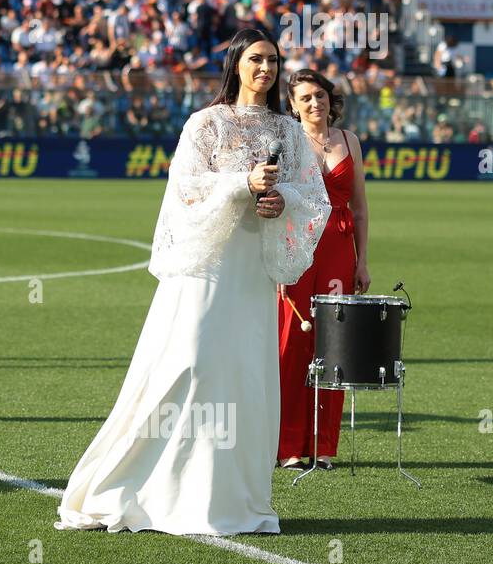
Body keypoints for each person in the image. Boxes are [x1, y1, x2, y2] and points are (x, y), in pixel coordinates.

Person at [56, 29, 330, 535]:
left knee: (246, 376)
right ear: (236, 64)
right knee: (189, 362)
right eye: (255, 59)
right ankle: (137, 487)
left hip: (252, 267)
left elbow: (313, 197)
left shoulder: (289, 132)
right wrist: (240, 185)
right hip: (206, 265)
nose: (265, 69)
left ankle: (231, 499)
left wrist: (279, 201)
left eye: (272, 60)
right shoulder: (206, 124)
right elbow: (184, 189)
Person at [277, 70, 369, 471]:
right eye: (306, 98)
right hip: (298, 246)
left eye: (321, 95)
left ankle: (324, 445)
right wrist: (277, 261)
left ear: (331, 99)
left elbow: (361, 207)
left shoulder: (349, 141)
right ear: (293, 106)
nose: (315, 104)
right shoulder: (286, 141)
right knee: (292, 346)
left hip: (339, 249)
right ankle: (287, 446)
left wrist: (362, 260)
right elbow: (275, 206)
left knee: (334, 347)